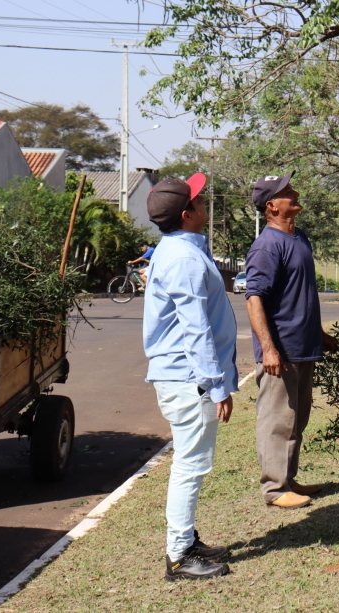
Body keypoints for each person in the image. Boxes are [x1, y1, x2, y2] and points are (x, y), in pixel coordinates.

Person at [143, 173, 238, 581]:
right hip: (189, 378)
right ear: (187, 214)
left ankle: (185, 542)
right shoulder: (182, 258)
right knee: (191, 465)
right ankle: (180, 556)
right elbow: (195, 328)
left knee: (191, 462)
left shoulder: (179, 250)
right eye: (199, 201)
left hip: (184, 376)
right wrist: (216, 385)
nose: (205, 204)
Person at [245, 172, 336, 510]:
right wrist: (268, 348)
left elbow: (301, 295)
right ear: (271, 206)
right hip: (280, 352)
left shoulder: (300, 238)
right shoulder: (267, 245)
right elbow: (254, 298)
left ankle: (288, 479)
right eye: (286, 192)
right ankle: (274, 489)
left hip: (304, 346)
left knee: (297, 419)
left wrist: (320, 334)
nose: (295, 193)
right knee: (277, 419)